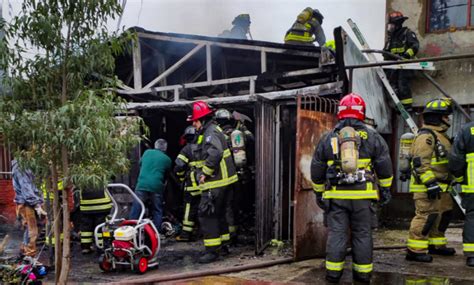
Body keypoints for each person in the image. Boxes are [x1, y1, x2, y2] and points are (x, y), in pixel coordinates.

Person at [311, 93, 393, 283]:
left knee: (337, 234)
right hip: (364, 197)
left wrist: (318, 192)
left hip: (336, 197)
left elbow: (316, 168)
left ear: (340, 112)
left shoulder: (329, 137)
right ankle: (362, 274)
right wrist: (386, 189)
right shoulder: (372, 136)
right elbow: (384, 166)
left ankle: (333, 274)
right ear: (362, 113)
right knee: (363, 234)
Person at [187, 101, 238, 263]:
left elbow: (214, 153)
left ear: (202, 119)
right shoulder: (213, 130)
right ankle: (223, 246)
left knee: (206, 214)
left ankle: (212, 251)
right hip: (224, 183)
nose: (194, 124)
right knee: (219, 214)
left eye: (195, 121)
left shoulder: (210, 133)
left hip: (216, 183)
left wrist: (204, 173)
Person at [407, 98, 455, 263]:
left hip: (442, 186)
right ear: (438, 117)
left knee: (442, 216)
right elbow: (420, 162)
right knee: (425, 217)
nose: (448, 119)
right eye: (446, 116)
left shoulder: (441, 136)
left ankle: (436, 244)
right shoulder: (426, 136)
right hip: (428, 187)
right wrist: (430, 183)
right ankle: (415, 250)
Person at [129, 138, 172, 230]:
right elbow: (167, 174)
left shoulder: (147, 152)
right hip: (157, 186)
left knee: (137, 206)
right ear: (165, 148)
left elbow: (140, 163)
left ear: (155, 146)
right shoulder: (167, 159)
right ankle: (156, 232)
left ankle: (131, 228)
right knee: (157, 209)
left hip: (142, 184)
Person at [448, 120, 474, 266]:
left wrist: (459, 178)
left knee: (473, 218)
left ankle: (472, 255)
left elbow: (456, 160)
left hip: (473, 186)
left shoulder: (467, 130)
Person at [383, 11, 419, 111]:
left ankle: (406, 107)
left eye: (392, 25)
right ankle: (397, 106)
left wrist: (407, 55)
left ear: (398, 25)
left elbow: (415, 46)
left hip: (405, 65)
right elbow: (386, 53)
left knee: (402, 84)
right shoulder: (391, 39)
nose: (390, 27)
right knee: (392, 86)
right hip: (393, 67)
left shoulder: (407, 33)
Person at [12, 159, 47, 257]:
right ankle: (29, 256)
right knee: (32, 231)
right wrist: (36, 204)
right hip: (26, 203)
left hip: (34, 201)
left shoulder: (31, 164)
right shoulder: (21, 166)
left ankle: (25, 251)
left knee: (38, 226)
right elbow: (26, 187)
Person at [174, 126, 201, 241]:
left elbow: (179, 167)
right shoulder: (205, 147)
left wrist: (181, 179)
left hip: (191, 186)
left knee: (189, 209)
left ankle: (186, 234)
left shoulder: (186, 149)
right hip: (206, 184)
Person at [79, 186, 112, 254]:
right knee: (101, 226)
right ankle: (101, 247)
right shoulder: (101, 175)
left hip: (86, 204)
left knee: (86, 227)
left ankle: (86, 247)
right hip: (102, 205)